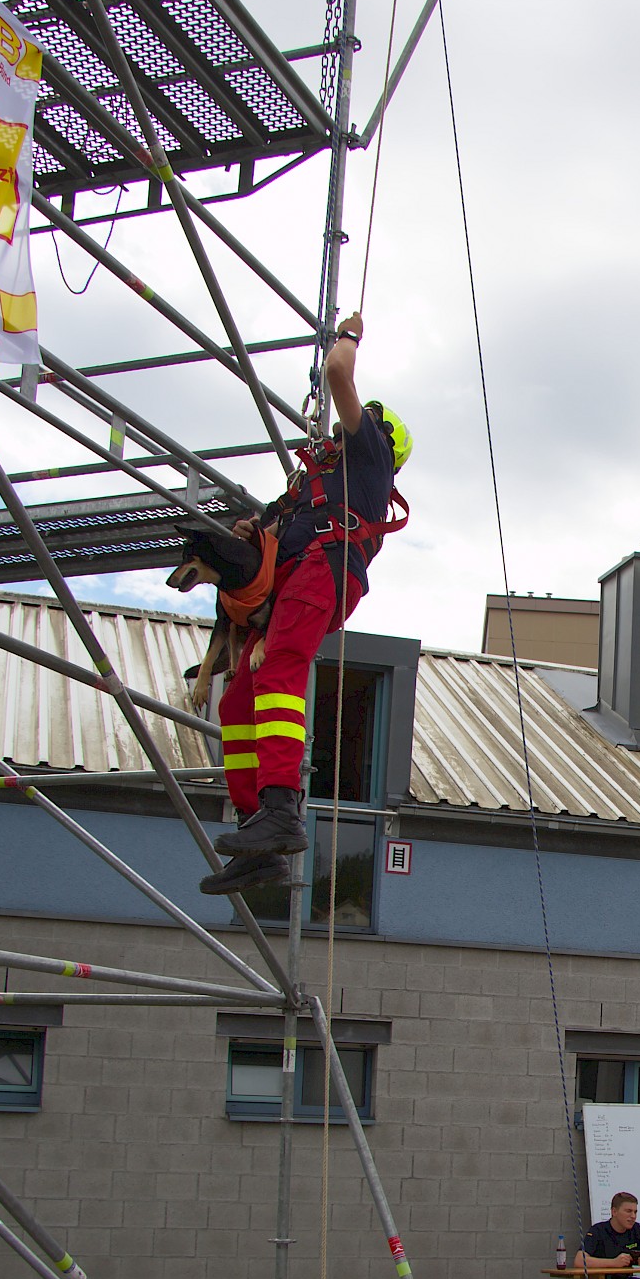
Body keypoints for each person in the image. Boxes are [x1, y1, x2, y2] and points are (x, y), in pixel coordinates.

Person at [201, 312, 411, 896]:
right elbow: (268, 533)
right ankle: (257, 832)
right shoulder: (312, 485)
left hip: (327, 569)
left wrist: (350, 336)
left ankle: (281, 808)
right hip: (300, 577)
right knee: (238, 699)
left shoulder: (368, 456)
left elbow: (338, 372)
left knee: (282, 671)